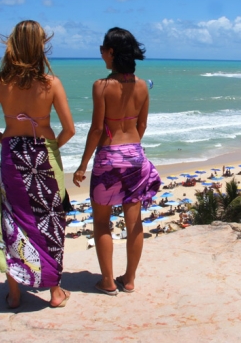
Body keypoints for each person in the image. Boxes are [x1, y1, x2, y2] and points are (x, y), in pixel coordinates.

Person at [0, 20, 75, 309]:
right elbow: (69, 129)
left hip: (12, 158)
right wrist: (48, 147)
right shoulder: (51, 83)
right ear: (39, 48)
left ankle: (15, 293)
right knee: (50, 222)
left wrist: (8, 143)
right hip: (43, 157)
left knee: (12, 222)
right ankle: (55, 292)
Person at [73, 27, 161, 296]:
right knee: (134, 222)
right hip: (135, 156)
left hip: (108, 157)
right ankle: (130, 279)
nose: (100, 53)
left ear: (111, 53)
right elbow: (142, 123)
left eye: (102, 49)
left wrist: (83, 164)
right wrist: (131, 147)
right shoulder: (143, 85)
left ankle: (108, 281)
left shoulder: (101, 86)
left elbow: (97, 129)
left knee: (102, 222)